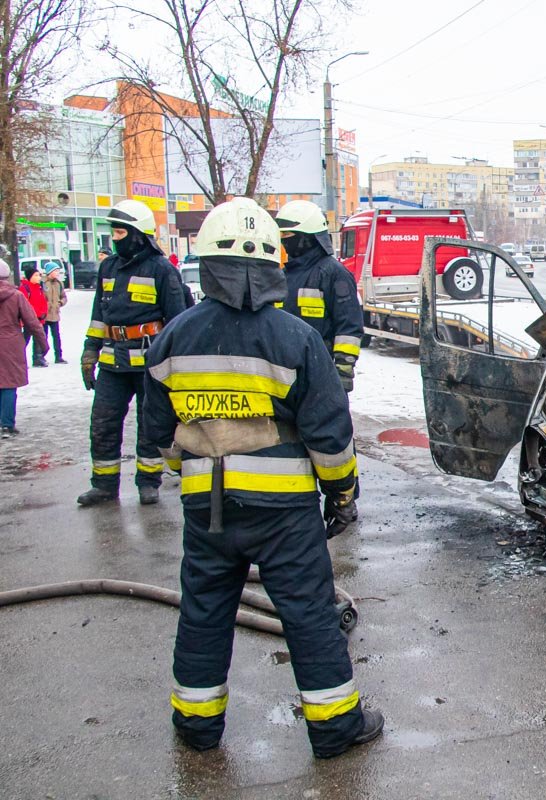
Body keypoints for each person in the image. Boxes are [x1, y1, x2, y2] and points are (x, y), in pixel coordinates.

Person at [142, 197, 381, 757]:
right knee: (309, 614)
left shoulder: (175, 337)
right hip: (285, 515)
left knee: (203, 611)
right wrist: (341, 494)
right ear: (272, 265)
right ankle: (335, 729)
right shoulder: (295, 339)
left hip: (209, 510)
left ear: (206, 263)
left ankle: (197, 726)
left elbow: (158, 431)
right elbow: (329, 434)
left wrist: (190, 471)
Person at [77, 199, 189, 507]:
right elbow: (98, 316)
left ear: (139, 234)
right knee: (102, 422)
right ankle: (103, 484)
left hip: (148, 365)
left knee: (149, 423)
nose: (115, 238)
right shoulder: (108, 268)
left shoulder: (162, 270)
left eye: (120, 232)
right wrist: (90, 352)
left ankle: (148, 481)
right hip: (113, 364)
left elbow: (177, 322)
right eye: (112, 232)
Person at [274, 200, 363, 393]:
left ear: (307, 237)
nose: (283, 241)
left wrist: (343, 372)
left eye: (287, 235)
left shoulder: (334, 274)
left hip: (321, 372)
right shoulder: (282, 275)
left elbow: (349, 328)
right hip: (284, 373)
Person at [0, 260, 49, 437]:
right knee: (8, 384)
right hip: (10, 343)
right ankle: (7, 424)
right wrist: (43, 344)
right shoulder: (16, 296)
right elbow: (32, 322)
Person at [19, 265, 49, 367]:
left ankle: (38, 358)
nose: (39, 277)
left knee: (38, 340)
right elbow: (24, 305)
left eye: (39, 275)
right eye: (36, 275)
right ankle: (20, 359)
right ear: (30, 277)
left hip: (39, 319)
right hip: (29, 320)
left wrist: (44, 313)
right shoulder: (25, 288)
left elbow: (43, 302)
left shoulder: (39, 288)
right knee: (24, 340)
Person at [42, 264, 68, 364]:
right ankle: (41, 356)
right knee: (43, 337)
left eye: (58, 271)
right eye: (55, 271)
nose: (57, 273)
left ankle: (58, 356)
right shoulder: (43, 283)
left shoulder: (59, 284)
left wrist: (60, 303)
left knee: (56, 336)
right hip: (44, 315)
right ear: (49, 272)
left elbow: (64, 297)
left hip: (55, 314)